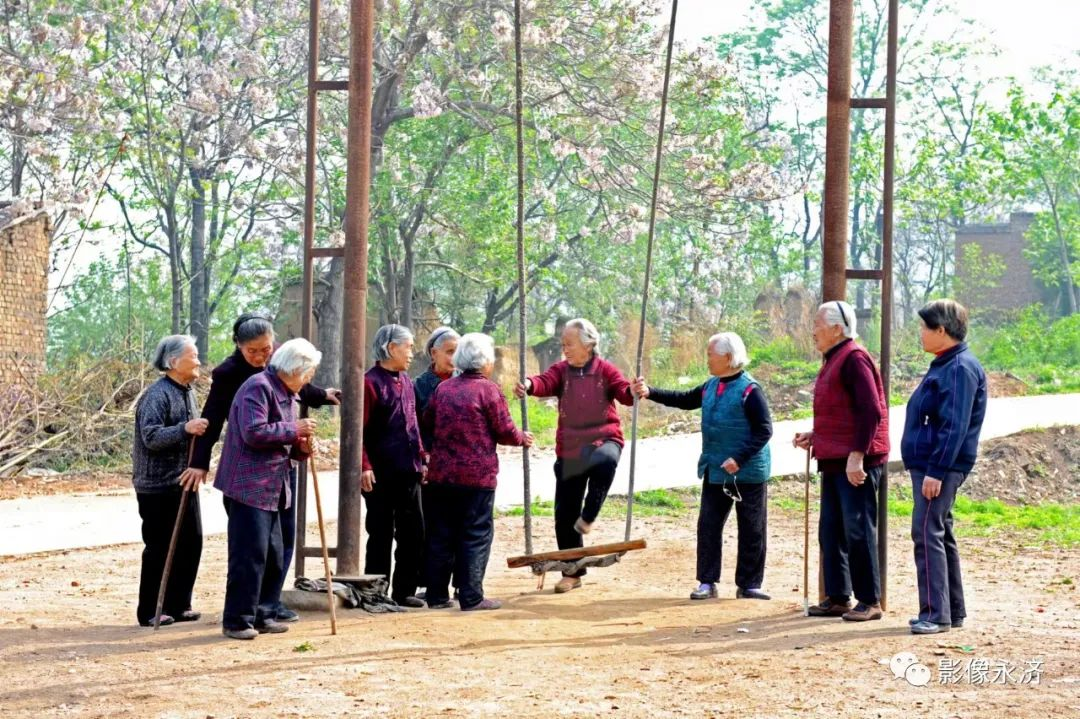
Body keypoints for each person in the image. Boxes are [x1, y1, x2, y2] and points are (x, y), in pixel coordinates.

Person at [179, 313, 339, 623]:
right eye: (252, 350)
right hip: (249, 477)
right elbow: (227, 423)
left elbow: (302, 387)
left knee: (278, 548)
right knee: (251, 551)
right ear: (238, 346)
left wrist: (304, 441)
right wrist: (198, 462)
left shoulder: (285, 377)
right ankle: (241, 615)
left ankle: (267, 605)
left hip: (276, 476)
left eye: (266, 349)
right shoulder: (241, 379)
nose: (261, 356)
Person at [633, 332, 773, 601]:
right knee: (708, 525)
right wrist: (650, 392)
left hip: (748, 472)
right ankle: (707, 582)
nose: (707, 359)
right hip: (716, 469)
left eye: (711, 354)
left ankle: (749, 584)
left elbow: (764, 430)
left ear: (728, 357)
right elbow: (685, 399)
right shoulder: (711, 386)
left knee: (752, 528)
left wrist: (739, 458)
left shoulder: (750, 390)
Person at [514, 318, 634, 594]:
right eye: (563, 344)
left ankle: (590, 514)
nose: (564, 348)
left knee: (605, 461)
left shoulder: (605, 370)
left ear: (588, 344)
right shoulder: (562, 371)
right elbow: (544, 382)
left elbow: (623, 392)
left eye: (569, 343)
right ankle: (573, 571)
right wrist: (529, 385)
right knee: (565, 514)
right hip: (571, 447)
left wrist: (632, 391)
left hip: (604, 438)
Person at [215, 338, 321, 640]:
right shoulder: (257, 387)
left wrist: (300, 447)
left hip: (276, 485)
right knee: (249, 555)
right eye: (308, 372)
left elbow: (283, 443)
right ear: (295, 369)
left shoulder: (289, 393)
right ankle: (237, 620)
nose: (310, 378)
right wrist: (293, 430)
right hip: (248, 486)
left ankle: (265, 613)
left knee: (275, 553)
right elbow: (253, 432)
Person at [421, 333, 533, 611]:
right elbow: (505, 431)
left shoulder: (443, 390)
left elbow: (427, 423)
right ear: (484, 362)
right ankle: (471, 596)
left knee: (441, 534)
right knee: (475, 533)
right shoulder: (489, 391)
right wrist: (523, 438)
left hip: (442, 476)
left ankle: (436, 595)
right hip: (476, 479)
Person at [793, 300, 890, 622]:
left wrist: (857, 456)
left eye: (818, 324)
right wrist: (816, 435)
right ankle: (838, 597)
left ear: (837, 328)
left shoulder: (854, 358)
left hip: (855, 461)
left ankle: (869, 600)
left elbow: (871, 411)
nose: (813, 331)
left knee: (858, 529)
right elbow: (841, 412)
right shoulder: (834, 358)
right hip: (835, 459)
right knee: (831, 531)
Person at [901, 300, 987, 635]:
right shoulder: (945, 363)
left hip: (938, 466)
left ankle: (935, 614)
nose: (920, 334)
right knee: (940, 531)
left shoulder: (959, 368)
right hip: (932, 463)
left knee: (926, 532)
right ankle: (951, 610)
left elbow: (954, 426)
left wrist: (936, 470)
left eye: (924, 327)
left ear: (942, 330)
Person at [132, 335, 208, 627]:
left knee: (192, 542)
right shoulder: (156, 395)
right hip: (156, 485)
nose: (199, 361)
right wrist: (185, 428)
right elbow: (150, 437)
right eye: (194, 355)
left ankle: (178, 604)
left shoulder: (188, 392)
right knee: (159, 547)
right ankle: (151, 610)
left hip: (184, 481)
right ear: (174, 362)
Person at [362, 324, 426, 608]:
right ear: (391, 348)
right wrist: (364, 465)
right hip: (379, 474)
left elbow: (413, 425)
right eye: (408, 346)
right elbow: (357, 431)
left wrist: (422, 457)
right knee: (380, 533)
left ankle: (404, 591)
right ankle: (375, 592)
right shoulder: (369, 383)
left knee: (413, 531)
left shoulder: (407, 382)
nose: (412, 352)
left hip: (408, 471)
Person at [412, 326, 461, 599]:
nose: (454, 358)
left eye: (458, 352)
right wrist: (424, 459)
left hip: (461, 468)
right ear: (434, 353)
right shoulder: (419, 386)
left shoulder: (467, 382)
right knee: (431, 527)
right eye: (449, 352)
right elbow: (414, 428)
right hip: (430, 467)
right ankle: (429, 583)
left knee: (458, 527)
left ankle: (458, 583)